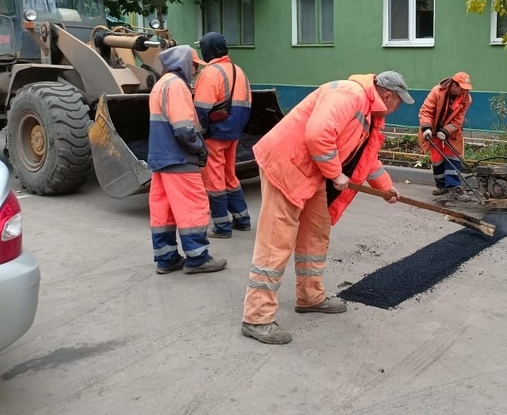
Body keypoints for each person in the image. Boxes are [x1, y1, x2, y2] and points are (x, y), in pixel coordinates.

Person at [241, 71, 414, 345]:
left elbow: (365, 159)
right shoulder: (349, 95)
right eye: (399, 102)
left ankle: (310, 297)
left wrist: (385, 187)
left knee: (316, 232)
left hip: (311, 172)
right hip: (286, 165)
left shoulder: (368, 111)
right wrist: (335, 173)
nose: (398, 107)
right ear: (388, 95)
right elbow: (318, 134)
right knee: (276, 241)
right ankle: (256, 317)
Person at [147, 45, 227, 274]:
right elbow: (183, 130)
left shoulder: (161, 84)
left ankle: (167, 258)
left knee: (164, 210)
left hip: (160, 158)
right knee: (192, 206)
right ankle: (198, 257)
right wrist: (200, 150)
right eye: (194, 65)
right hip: (180, 158)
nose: (195, 70)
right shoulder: (177, 86)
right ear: (183, 63)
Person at [193, 32, 253, 239]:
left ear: (207, 50)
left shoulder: (210, 73)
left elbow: (200, 108)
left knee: (214, 179)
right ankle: (242, 219)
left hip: (215, 134)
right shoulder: (239, 71)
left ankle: (221, 227)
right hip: (233, 133)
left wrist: (194, 132)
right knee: (229, 175)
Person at [417, 72, 473, 200]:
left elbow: (458, 120)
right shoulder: (437, 92)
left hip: (451, 132)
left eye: (466, 89)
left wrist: (447, 131)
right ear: (454, 85)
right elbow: (426, 111)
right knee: (437, 159)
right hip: (432, 129)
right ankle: (441, 186)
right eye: (462, 88)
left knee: (454, 157)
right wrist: (426, 128)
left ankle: (455, 188)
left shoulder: (466, 99)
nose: (464, 92)